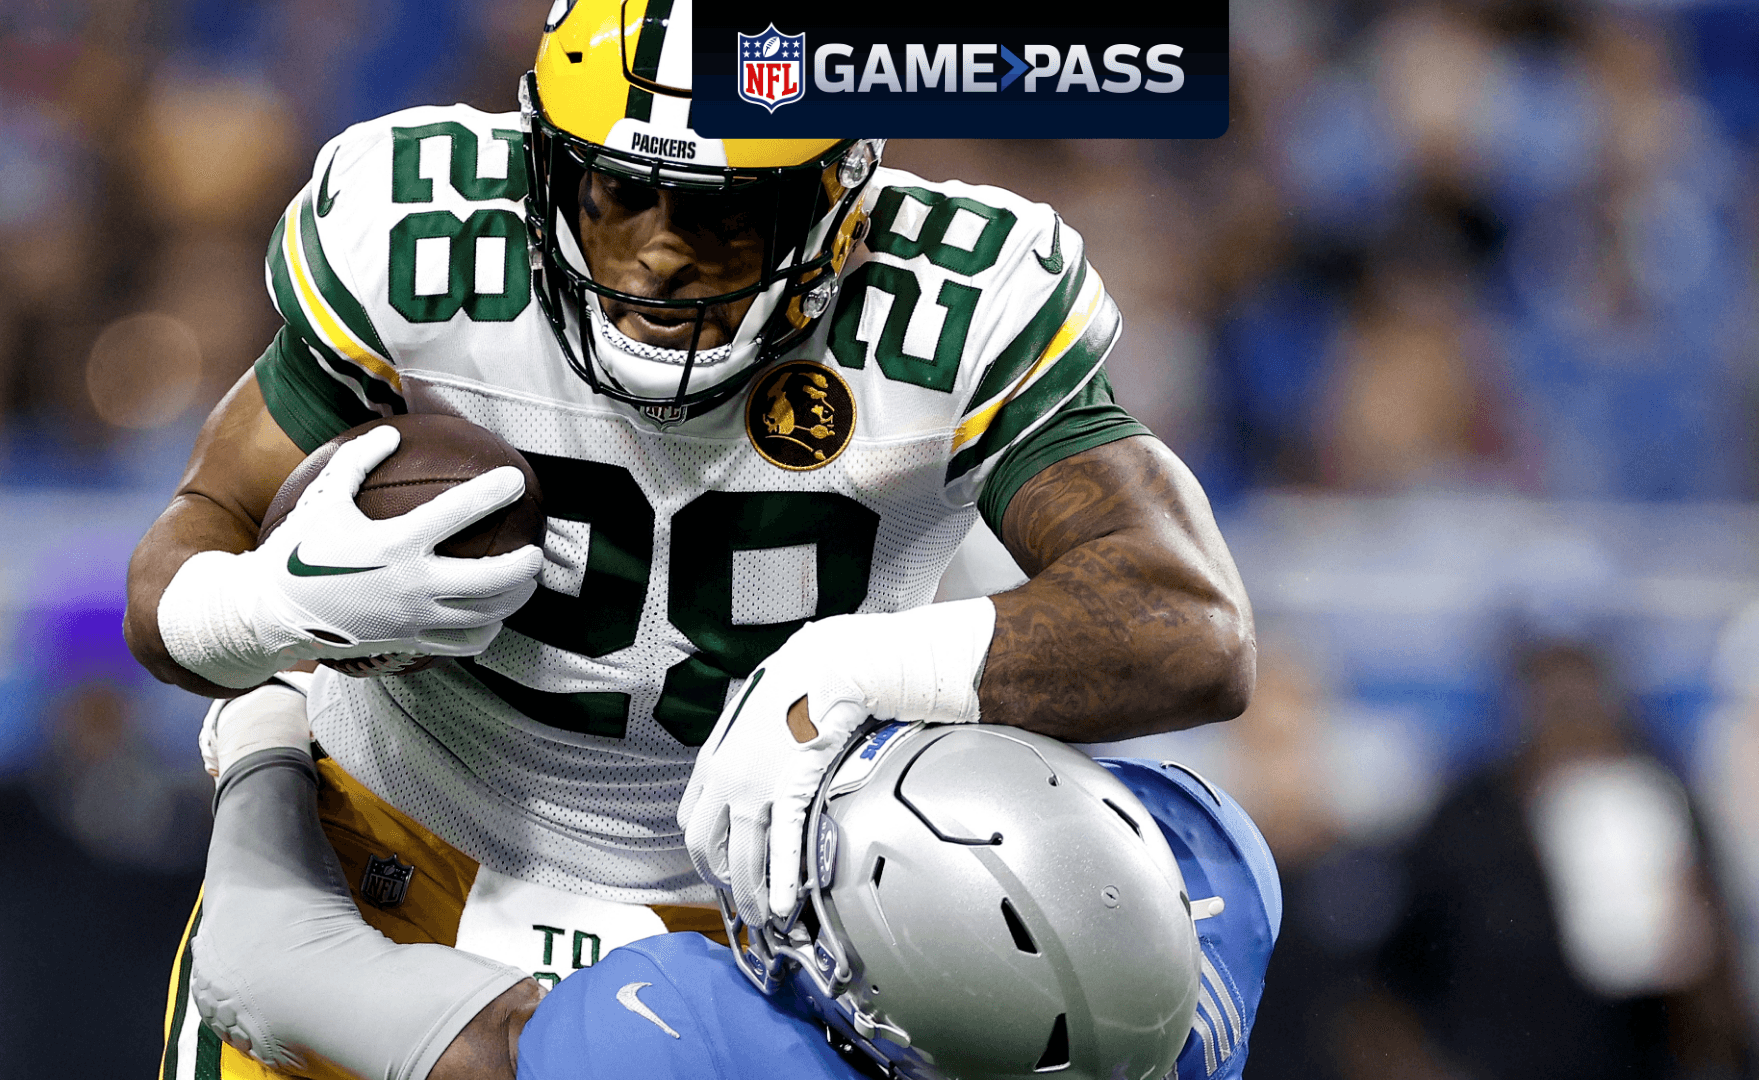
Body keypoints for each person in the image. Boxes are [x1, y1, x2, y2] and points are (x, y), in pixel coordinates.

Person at [126, 2, 1254, 1073]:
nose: (659, 253)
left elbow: (1188, 620)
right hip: (393, 842)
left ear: (836, 204)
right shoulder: (418, 229)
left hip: (759, 924)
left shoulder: (955, 297)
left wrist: (849, 668)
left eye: (723, 211)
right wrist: (272, 607)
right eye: (618, 191)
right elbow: (184, 554)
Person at [188, 680, 1281, 1080]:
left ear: (874, 1016)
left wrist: (264, 734)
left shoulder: (708, 1042)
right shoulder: (1212, 879)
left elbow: (259, 965)